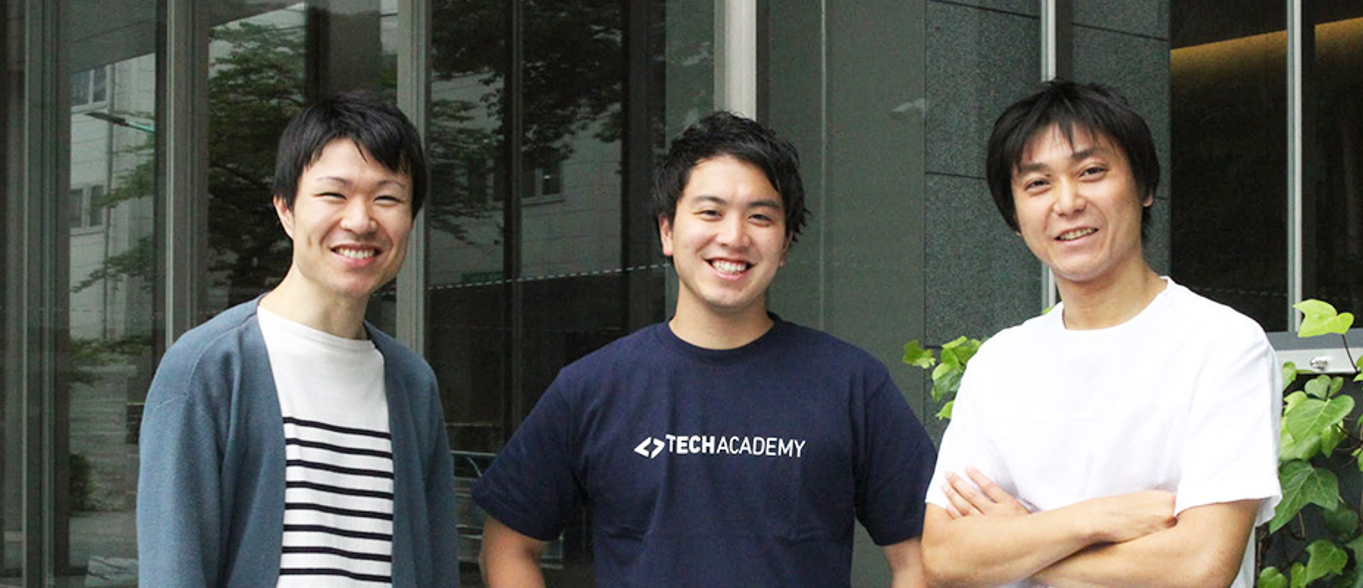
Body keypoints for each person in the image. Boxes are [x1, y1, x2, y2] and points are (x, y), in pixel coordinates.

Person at [472, 111, 936, 586]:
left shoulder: (850, 384)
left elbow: (922, 556)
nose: (733, 237)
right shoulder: (593, 386)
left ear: (785, 244)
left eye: (760, 217)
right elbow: (507, 547)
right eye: (711, 212)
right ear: (667, 231)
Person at [920, 81, 1281, 588]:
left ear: (1145, 187)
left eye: (1091, 172)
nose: (1067, 203)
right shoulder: (999, 364)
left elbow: (1199, 567)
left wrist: (1022, 541)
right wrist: (1095, 520)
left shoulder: (1223, 345)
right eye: (1038, 184)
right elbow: (944, 556)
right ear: (1015, 217)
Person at [137, 92, 458, 587]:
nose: (360, 221)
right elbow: (173, 571)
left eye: (387, 198)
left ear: (411, 218)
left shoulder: (413, 384)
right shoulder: (209, 368)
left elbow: (436, 568)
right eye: (333, 194)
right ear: (285, 209)